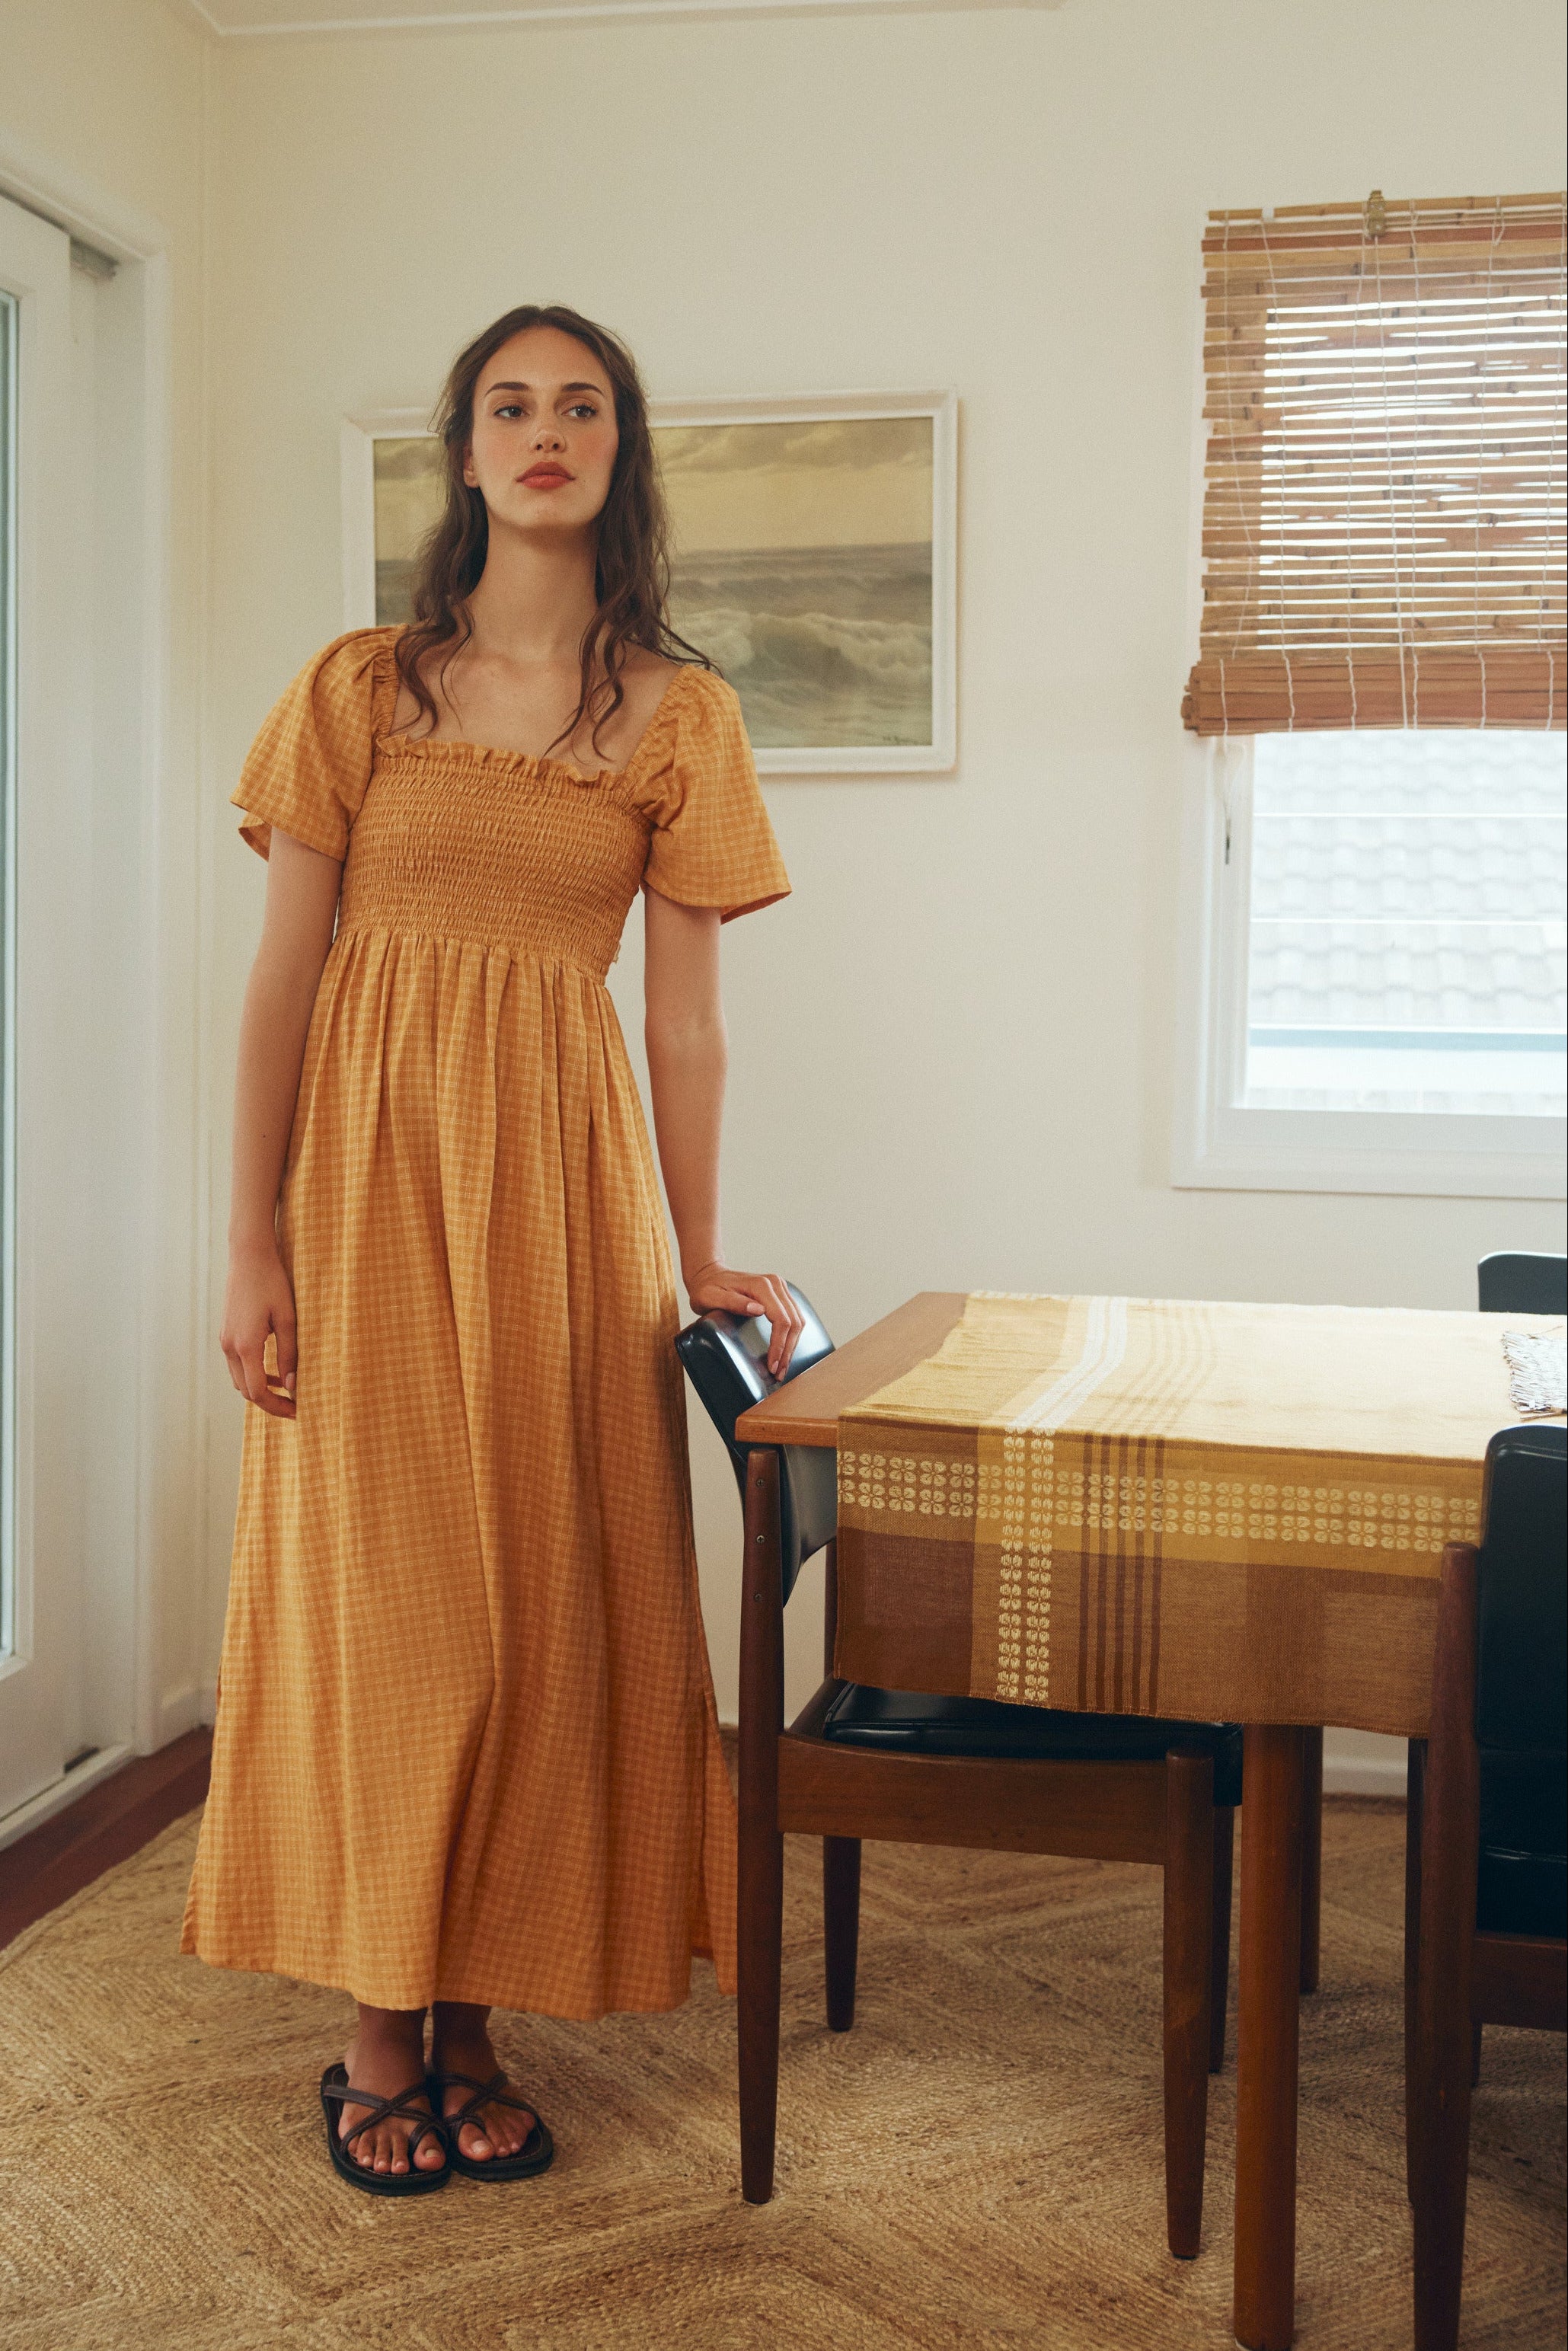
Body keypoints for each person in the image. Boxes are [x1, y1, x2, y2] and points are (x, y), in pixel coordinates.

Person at [182, 303, 801, 2193]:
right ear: (463, 452)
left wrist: (697, 1247)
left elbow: (683, 1021)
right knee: (399, 1607)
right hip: (365, 1196)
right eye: (511, 404)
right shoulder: (356, 689)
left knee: (538, 1600)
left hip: (560, 1193)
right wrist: (249, 1239)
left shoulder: (681, 715)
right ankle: (379, 2020)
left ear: (620, 451)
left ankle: (474, 2014)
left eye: (581, 405)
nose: (546, 430)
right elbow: (282, 979)